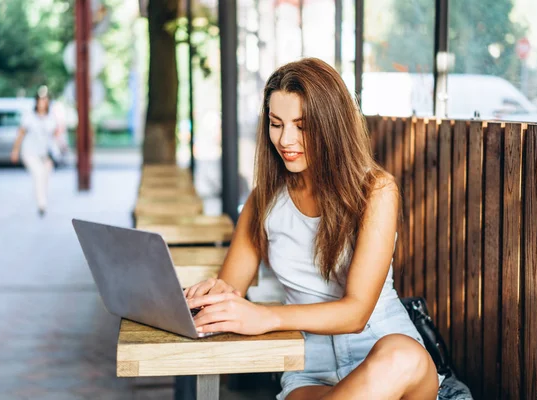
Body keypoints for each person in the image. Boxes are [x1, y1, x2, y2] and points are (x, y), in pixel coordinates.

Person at [184, 58, 443, 400]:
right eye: (276, 124)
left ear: (331, 125)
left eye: (301, 126)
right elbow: (230, 288)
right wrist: (210, 297)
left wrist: (266, 316)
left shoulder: (376, 191)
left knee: (402, 355)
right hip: (311, 370)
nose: (286, 139)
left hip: (386, 358)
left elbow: (356, 312)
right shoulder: (263, 201)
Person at [11, 86, 60, 217]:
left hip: (46, 154)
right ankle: (41, 204)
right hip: (30, 152)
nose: (42, 103)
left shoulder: (51, 118)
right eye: (40, 100)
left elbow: (55, 135)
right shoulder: (29, 117)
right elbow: (20, 134)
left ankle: (43, 199)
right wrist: (15, 150)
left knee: (45, 177)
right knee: (38, 174)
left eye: (45, 100)